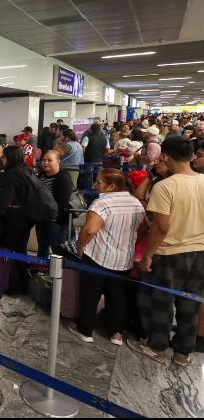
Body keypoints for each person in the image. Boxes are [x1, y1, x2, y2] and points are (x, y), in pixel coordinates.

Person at [129, 137, 204, 367]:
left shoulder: (165, 187)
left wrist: (148, 255)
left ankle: (157, 346)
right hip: (200, 253)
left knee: (160, 301)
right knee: (190, 303)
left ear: (167, 156)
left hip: (170, 252)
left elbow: (160, 226)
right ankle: (183, 352)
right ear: (191, 155)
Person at [68, 169, 145, 345]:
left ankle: (85, 330)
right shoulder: (135, 202)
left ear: (111, 186)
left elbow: (89, 230)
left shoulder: (102, 203)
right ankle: (116, 332)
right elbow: (144, 227)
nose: (95, 185)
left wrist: (80, 246)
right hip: (123, 259)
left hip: (98, 256)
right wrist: (130, 243)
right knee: (117, 296)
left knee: (90, 294)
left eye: (99, 182)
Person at [0, 146, 35, 294]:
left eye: (4, 157)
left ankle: (15, 285)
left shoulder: (10, 174)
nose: (2, 160)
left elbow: (4, 203)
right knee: (21, 250)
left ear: (9, 159)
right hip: (26, 216)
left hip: (13, 218)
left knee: (10, 251)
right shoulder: (27, 170)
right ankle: (24, 283)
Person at [36, 150, 73, 256]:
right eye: (44, 160)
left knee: (57, 249)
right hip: (41, 218)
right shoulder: (40, 176)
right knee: (42, 246)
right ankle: (41, 270)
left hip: (57, 221)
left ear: (58, 162)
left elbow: (63, 203)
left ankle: (56, 272)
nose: (45, 163)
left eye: (49, 160)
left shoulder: (63, 178)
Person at [82, 122, 110, 187]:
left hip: (88, 160)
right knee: (99, 177)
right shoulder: (105, 138)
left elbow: (83, 149)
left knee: (88, 177)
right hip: (100, 160)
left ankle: (88, 192)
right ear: (100, 129)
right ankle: (98, 189)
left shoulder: (87, 137)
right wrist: (102, 155)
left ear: (91, 129)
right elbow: (108, 151)